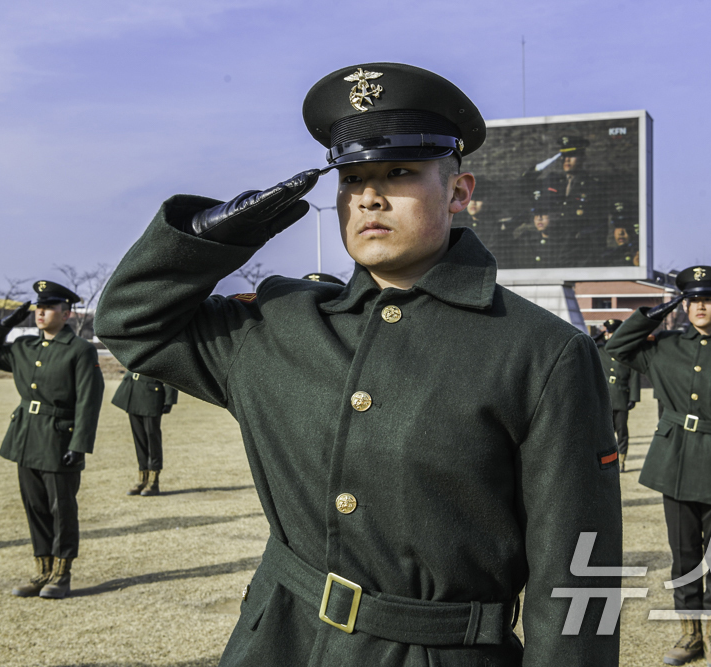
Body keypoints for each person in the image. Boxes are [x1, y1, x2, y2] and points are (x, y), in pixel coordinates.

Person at [95, 63, 621, 666]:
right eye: (352, 178)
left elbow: (582, 568)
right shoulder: (279, 325)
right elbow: (132, 322)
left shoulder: (540, 351)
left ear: (458, 192)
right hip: (281, 643)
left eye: (399, 173)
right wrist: (221, 231)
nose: (370, 196)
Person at [606, 266, 711, 667]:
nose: (700, 306)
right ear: (683, 306)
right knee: (683, 555)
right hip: (675, 462)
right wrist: (654, 314)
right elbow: (617, 347)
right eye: (692, 300)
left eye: (707, 300)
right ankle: (690, 634)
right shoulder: (665, 346)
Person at [0, 280, 104, 599]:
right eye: (38, 308)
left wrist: (79, 444)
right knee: (35, 507)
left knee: (62, 509)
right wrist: (4, 325)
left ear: (66, 313)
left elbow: (89, 399)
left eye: (49, 307)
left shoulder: (80, 350)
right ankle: (42, 571)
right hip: (26, 437)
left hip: (59, 440)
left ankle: (61, 574)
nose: (40, 313)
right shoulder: (24, 347)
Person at [111, 371, 178, 496]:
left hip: (152, 396)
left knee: (152, 439)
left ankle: (153, 481)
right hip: (134, 392)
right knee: (139, 440)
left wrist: (169, 400)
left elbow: (171, 371)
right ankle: (142, 478)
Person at [596, 318, 640, 472]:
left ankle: (621, 460)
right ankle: (606, 460)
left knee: (622, 431)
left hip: (621, 397)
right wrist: (600, 336)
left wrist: (634, 397)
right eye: (609, 332)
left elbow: (634, 375)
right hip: (604, 398)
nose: (610, 335)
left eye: (614, 332)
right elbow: (587, 343)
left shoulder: (627, 352)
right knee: (605, 432)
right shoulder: (600, 350)